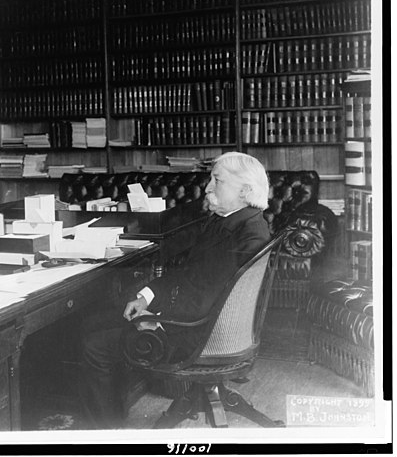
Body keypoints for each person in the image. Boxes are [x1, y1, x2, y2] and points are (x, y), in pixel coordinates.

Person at [79, 151, 271, 428]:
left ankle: (104, 434)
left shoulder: (245, 232)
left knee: (94, 345)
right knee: (94, 321)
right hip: (195, 322)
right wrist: (147, 296)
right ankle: (114, 413)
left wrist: (156, 323)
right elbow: (190, 274)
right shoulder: (237, 222)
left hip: (197, 334)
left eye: (217, 181)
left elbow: (211, 298)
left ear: (245, 190)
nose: (208, 187)